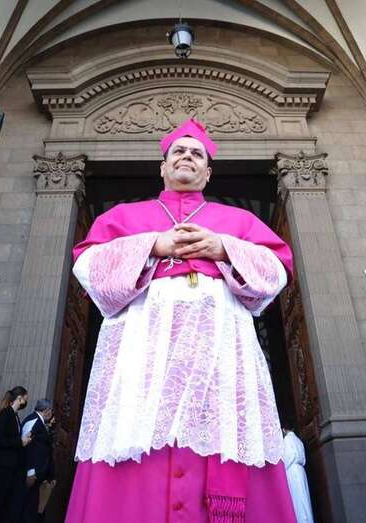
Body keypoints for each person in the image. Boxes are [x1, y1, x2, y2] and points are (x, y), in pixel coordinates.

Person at [66, 119, 297, 522]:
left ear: (208, 172)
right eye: (179, 151)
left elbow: (278, 269)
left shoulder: (239, 221)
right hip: (142, 359)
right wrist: (153, 244)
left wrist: (223, 247)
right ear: (163, 167)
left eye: (196, 154)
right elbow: (87, 265)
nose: (187, 156)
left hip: (221, 357)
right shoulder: (123, 217)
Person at [0, 386, 31, 523]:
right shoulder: (5, 414)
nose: (26, 401)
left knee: (3, 505)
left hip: (9, 466)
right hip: (0, 465)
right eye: (25, 398)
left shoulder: (14, 415)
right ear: (19, 398)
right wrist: (20, 441)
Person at [21, 399, 55, 523]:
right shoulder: (34, 420)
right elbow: (26, 446)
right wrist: (30, 472)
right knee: (27, 507)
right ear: (47, 410)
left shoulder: (40, 422)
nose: (51, 413)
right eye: (51, 410)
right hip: (32, 474)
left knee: (33, 506)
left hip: (38, 474)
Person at [282, 429, 313, 523]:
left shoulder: (287, 439)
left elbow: (288, 456)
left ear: (284, 430)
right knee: (304, 499)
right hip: (300, 470)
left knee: (298, 500)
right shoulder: (298, 440)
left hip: (292, 471)